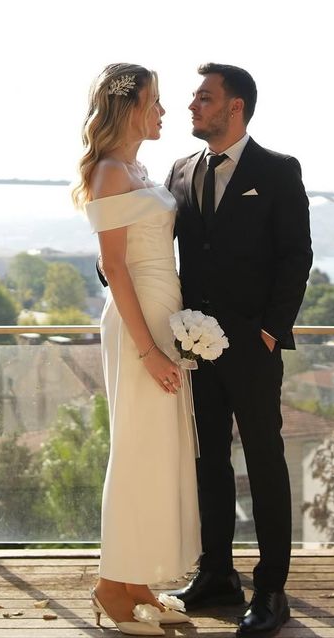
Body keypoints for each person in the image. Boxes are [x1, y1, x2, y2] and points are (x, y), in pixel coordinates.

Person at [165, 63, 313, 637]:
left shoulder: (277, 170)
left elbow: (295, 256)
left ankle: (272, 588)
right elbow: (161, 242)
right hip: (194, 346)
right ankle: (216, 573)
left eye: (204, 98)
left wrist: (270, 332)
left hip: (253, 348)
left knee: (265, 460)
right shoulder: (181, 170)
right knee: (208, 462)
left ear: (236, 107)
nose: (192, 106)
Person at [72, 63, 201, 636]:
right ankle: (110, 583)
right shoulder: (108, 172)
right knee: (135, 449)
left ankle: (137, 582)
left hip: (162, 312)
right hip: (137, 323)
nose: (164, 112)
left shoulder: (138, 170)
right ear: (129, 108)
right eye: (155, 101)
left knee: (157, 450)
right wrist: (148, 350)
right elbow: (115, 266)